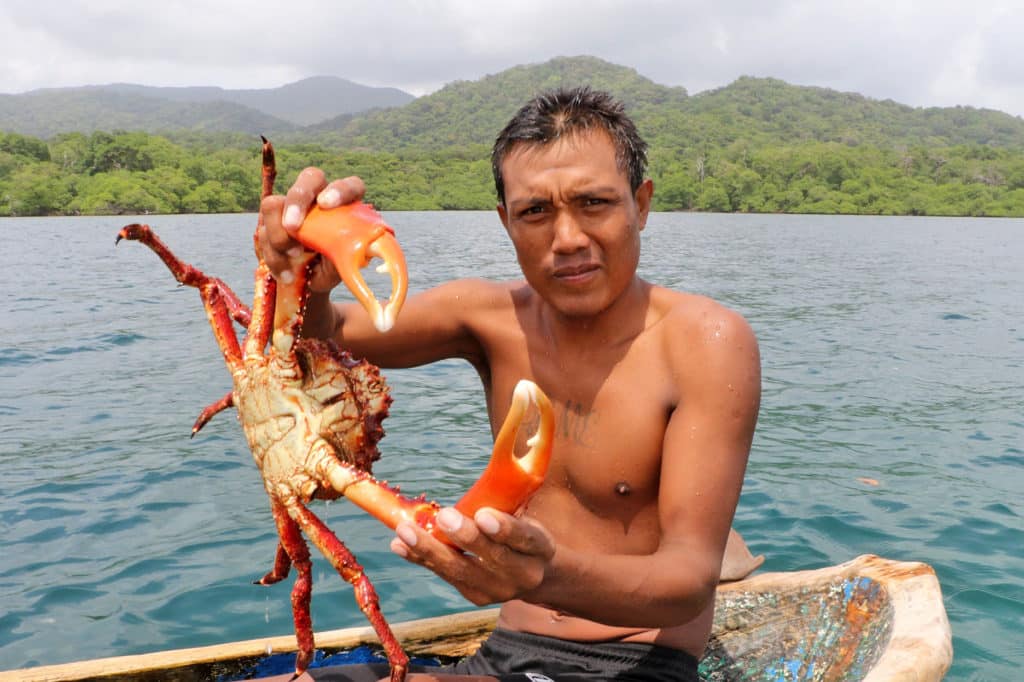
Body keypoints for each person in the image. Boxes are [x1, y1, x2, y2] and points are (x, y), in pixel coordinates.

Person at [258, 87, 762, 681]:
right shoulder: (486, 318)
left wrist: (544, 575)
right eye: (535, 212)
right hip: (505, 653)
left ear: (642, 204)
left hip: (638, 662)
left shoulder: (704, 341)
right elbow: (328, 332)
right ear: (505, 221)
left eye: (595, 203)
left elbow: (689, 580)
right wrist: (299, 270)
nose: (568, 237)